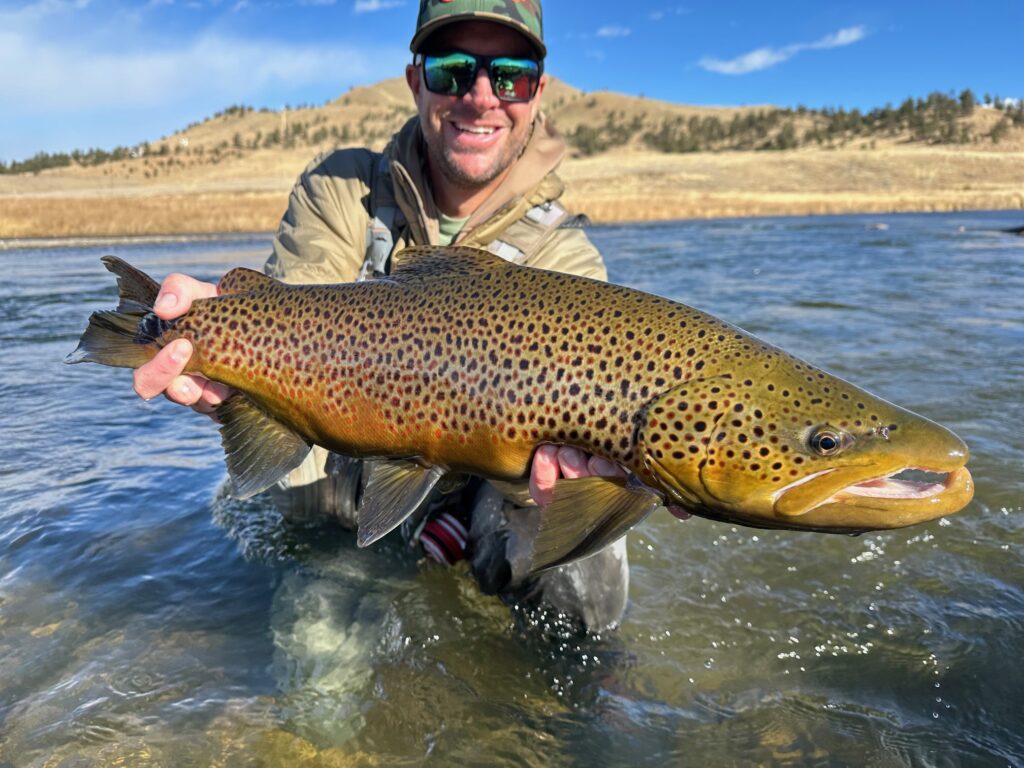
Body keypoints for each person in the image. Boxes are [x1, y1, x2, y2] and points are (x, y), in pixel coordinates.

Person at [131, 0, 632, 630]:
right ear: (415, 79)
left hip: (481, 494)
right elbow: (292, 317)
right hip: (336, 486)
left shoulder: (567, 259)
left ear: (538, 90)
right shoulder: (341, 189)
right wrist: (218, 342)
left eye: (509, 75)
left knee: (592, 563)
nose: (481, 96)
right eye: (452, 69)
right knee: (319, 675)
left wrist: (558, 492)